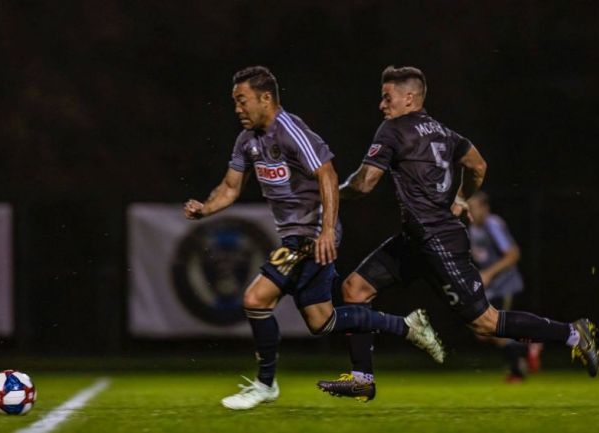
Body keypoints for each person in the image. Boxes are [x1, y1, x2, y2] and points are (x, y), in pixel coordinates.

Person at [317, 66, 599, 401]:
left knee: (486, 323)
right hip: (416, 240)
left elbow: (365, 183)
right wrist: (461, 197)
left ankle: (572, 333)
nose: (382, 104)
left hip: (438, 242)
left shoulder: (393, 130)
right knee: (355, 288)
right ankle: (363, 378)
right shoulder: (444, 132)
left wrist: (332, 190)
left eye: (387, 96)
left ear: (409, 98)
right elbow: (478, 165)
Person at [184, 66, 445, 410]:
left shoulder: (291, 130)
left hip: (309, 237)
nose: (237, 109)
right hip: (297, 236)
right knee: (323, 321)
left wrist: (325, 231)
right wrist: (205, 209)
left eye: (242, 100)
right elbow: (230, 188)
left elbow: (328, 173)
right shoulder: (247, 141)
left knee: (255, 299)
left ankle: (265, 384)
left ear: (266, 98)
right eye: (235, 102)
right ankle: (407, 326)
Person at [468, 191, 542, 382]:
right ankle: (529, 347)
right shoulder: (472, 230)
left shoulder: (493, 224)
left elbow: (513, 254)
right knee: (484, 331)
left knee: (496, 328)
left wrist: (489, 273)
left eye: (474, 207)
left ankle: (517, 371)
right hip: (491, 288)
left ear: (484, 207)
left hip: (505, 285)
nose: (470, 211)